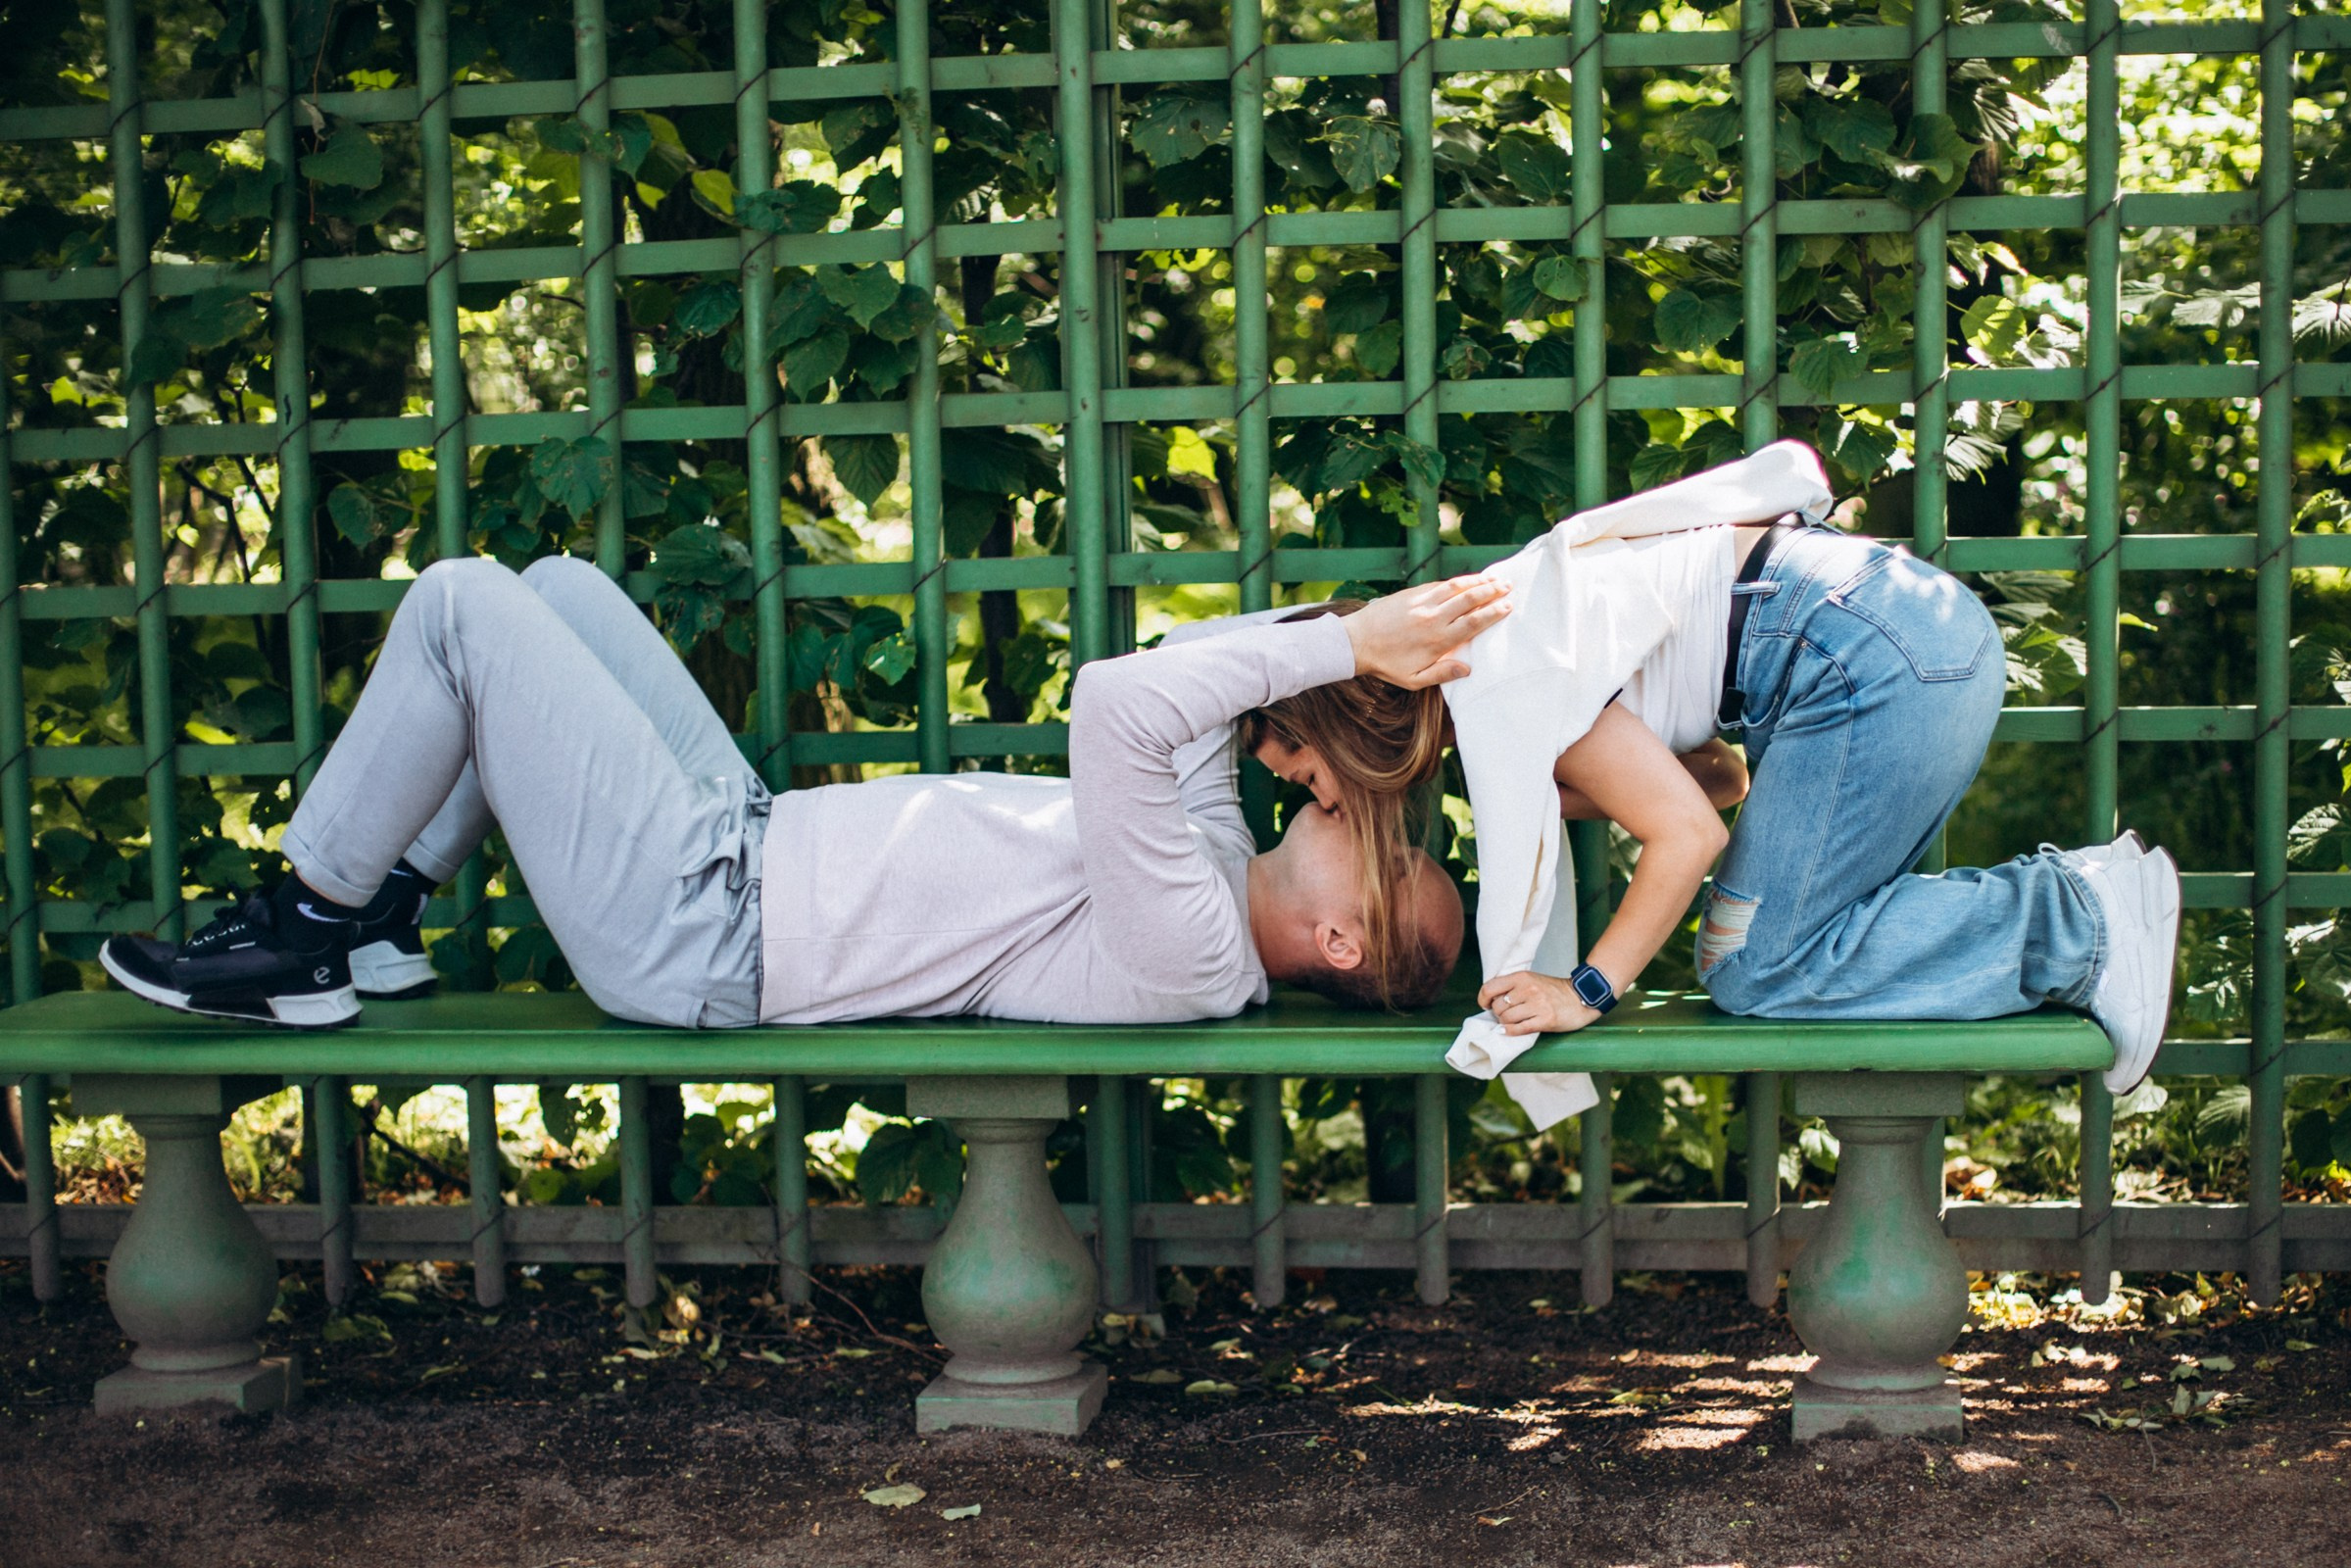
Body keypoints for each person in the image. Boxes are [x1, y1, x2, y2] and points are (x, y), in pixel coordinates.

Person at [101, 554, 1507, 1030]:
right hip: (737, 851)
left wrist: (1333, 653)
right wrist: (1360, 663)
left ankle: (302, 918)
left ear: (1342, 944)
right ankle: (390, 908)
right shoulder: (1209, 850)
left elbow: (1109, 705)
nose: (1353, 813)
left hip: (705, 929)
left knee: (468, 606)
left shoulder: (1198, 954)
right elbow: (1180, 670)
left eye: (1386, 858)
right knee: (556, 594)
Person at [1243, 442, 2180, 1126]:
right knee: (1783, 948)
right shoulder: (1494, 672)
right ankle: (2073, 921)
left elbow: (1691, 833)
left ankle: (2077, 921)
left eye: (1302, 770)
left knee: (1754, 964)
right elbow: (1723, 778)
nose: (1314, 800)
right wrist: (1587, 787)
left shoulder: (1493, 677)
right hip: (1895, 633)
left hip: (1867, 656)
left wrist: (1590, 987)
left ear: (1339, 720)